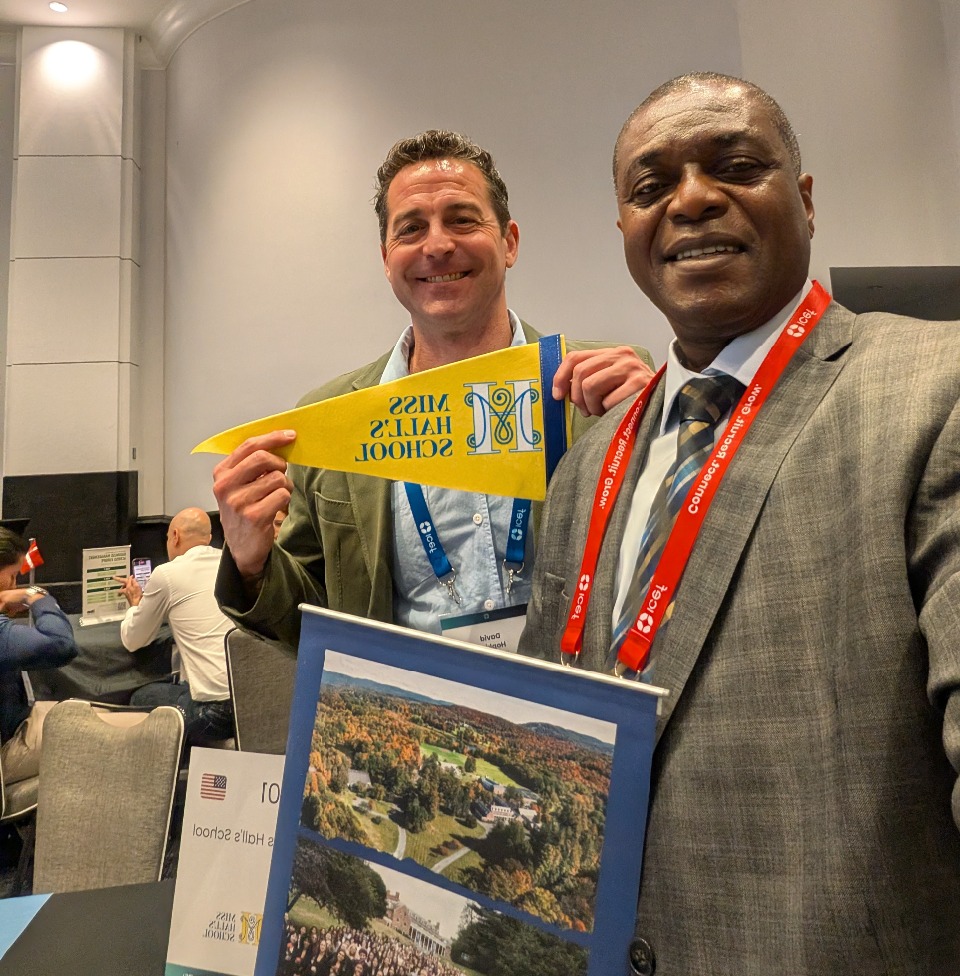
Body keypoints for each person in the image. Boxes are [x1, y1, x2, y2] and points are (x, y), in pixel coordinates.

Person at [519, 71, 960, 974]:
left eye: (735, 165)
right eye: (651, 186)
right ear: (625, 229)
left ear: (806, 199)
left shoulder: (936, 391)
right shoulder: (586, 465)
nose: (690, 200)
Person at [213, 130, 653, 648]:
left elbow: (677, 569)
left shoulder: (610, 390)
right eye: (412, 228)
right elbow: (311, 625)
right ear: (386, 258)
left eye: (462, 220)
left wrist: (669, 433)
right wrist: (252, 565)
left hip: (577, 691)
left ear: (509, 242)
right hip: (410, 699)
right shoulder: (331, 420)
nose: (438, 245)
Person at [118, 507, 234, 745]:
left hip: (213, 714)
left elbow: (133, 639)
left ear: (175, 536)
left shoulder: (167, 574)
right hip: (248, 703)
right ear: (208, 538)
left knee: (140, 697)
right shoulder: (230, 564)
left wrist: (135, 605)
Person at [0, 527, 77, 783]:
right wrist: (35, 595)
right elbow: (61, 644)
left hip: (15, 725)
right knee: (111, 732)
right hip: (7, 747)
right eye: (12, 576)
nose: (14, 585)